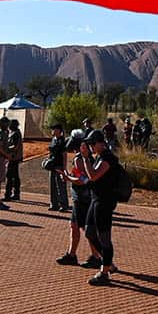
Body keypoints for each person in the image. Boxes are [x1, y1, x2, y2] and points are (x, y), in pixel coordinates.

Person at [55, 133, 101, 269]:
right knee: (75, 226)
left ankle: (96, 256)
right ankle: (72, 254)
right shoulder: (84, 158)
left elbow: (83, 180)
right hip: (80, 197)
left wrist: (67, 178)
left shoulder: (80, 159)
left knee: (85, 228)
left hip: (83, 197)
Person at [83, 130, 121, 286]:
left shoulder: (108, 158)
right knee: (89, 232)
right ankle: (108, 263)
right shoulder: (99, 156)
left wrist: (85, 158)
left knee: (104, 237)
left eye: (92, 143)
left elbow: (93, 175)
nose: (91, 146)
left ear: (100, 143)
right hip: (96, 199)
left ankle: (104, 272)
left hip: (104, 202)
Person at [45, 123, 69, 212]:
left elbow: (64, 154)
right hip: (52, 166)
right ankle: (54, 204)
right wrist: (47, 160)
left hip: (59, 165)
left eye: (54, 129)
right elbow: (50, 152)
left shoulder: (62, 141)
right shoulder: (53, 139)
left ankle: (64, 205)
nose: (52, 131)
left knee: (60, 186)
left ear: (59, 130)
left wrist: (64, 167)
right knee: (53, 186)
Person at [3, 118, 23, 202]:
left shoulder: (15, 134)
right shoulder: (16, 133)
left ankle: (8, 194)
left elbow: (15, 146)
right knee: (15, 176)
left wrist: (6, 149)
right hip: (15, 157)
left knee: (9, 176)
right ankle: (16, 194)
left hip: (13, 157)